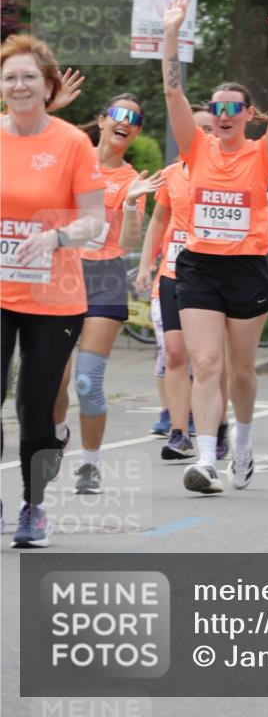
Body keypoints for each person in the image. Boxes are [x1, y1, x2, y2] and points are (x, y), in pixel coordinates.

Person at [160, 0, 268, 495]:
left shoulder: (264, 155)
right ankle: (205, 460)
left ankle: (242, 440)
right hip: (197, 266)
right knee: (206, 364)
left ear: (247, 115)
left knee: (241, 370)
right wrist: (171, 36)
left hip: (246, 269)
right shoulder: (195, 150)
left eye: (231, 108)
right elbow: (173, 96)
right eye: (216, 108)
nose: (221, 115)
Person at [1, 33, 104, 547]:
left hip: (54, 293)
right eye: (9, 77)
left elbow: (94, 221)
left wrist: (55, 235)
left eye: (28, 77)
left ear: (47, 86)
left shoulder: (71, 142)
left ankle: (33, 506)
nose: (18, 85)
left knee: (35, 406)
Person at [53, 93, 164, 494]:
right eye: (118, 114)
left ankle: (89, 464)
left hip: (105, 277)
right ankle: (59, 432)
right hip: (63, 274)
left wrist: (133, 203)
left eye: (134, 119)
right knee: (53, 381)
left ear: (135, 132)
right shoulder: (71, 159)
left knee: (86, 381)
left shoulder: (132, 179)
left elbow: (130, 240)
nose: (125, 122)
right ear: (101, 120)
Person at [136, 106, 229, 460]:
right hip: (173, 274)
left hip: (210, 277)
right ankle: (178, 432)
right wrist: (146, 265)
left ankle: (218, 424)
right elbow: (159, 221)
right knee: (174, 353)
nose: (203, 134)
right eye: (197, 128)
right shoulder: (172, 174)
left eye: (209, 128)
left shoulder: (226, 174)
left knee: (210, 360)